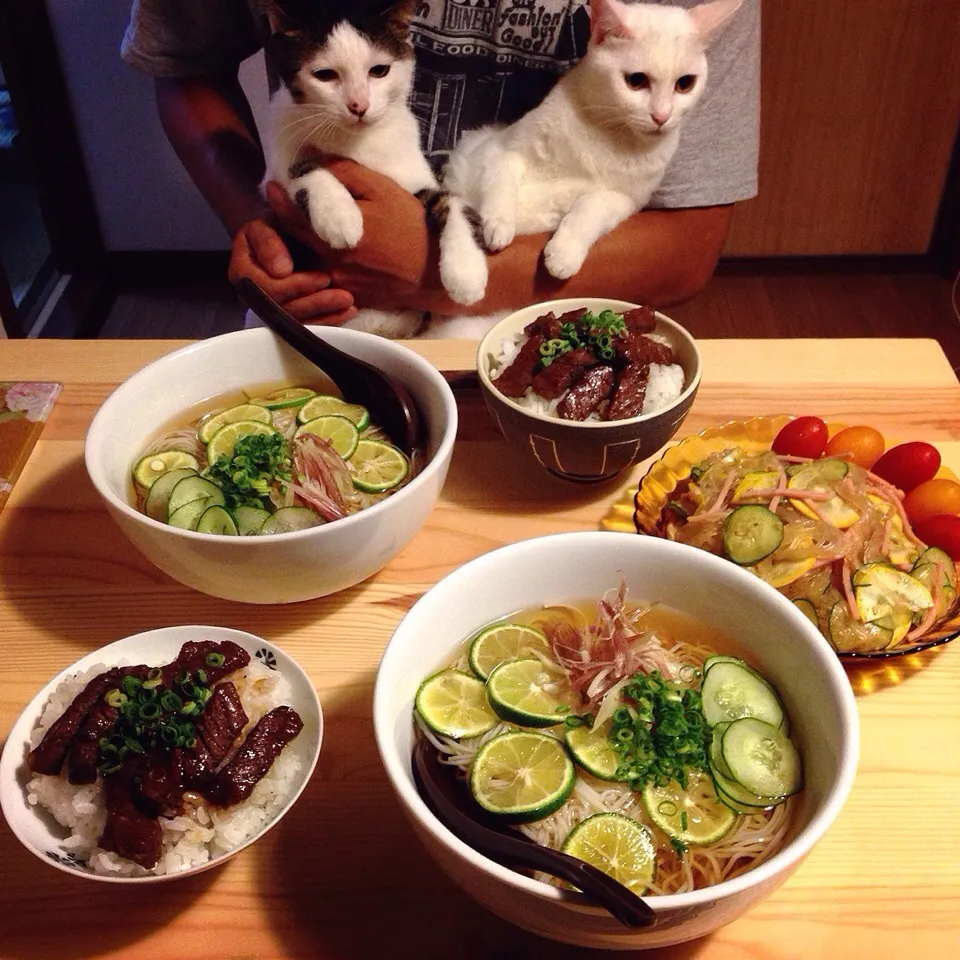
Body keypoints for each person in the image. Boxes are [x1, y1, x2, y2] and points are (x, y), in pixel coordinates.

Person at [120, 0, 759, 328]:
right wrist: (257, 217)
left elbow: (690, 246)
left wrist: (422, 270)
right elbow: (183, 61)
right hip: (322, 302)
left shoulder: (677, 35)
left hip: (556, 327)